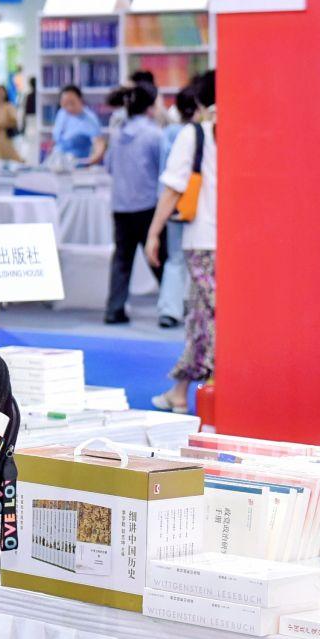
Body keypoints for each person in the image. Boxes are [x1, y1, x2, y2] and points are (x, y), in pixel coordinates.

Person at [146, 72, 217, 412]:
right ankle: (182, 389)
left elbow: (174, 188)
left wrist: (154, 232)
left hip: (202, 238)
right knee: (208, 315)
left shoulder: (195, 133)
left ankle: (194, 389)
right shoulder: (244, 130)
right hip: (240, 241)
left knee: (206, 317)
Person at [103, 84, 165, 324]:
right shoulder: (155, 135)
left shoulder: (117, 133)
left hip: (120, 205)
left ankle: (114, 309)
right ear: (150, 107)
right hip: (148, 205)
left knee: (121, 260)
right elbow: (163, 169)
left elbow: (109, 167)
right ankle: (171, 307)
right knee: (159, 258)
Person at [152, 86, 200, 328]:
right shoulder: (198, 133)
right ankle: (191, 307)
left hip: (172, 201)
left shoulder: (169, 132)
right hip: (195, 201)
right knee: (198, 258)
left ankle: (170, 309)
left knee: (175, 258)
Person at [51, 84, 106, 165]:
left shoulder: (89, 119)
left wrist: (88, 163)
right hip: (56, 162)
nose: (68, 107)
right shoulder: (62, 113)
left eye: (72, 103)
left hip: (76, 164)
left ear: (80, 100)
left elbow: (99, 146)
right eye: (65, 103)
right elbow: (57, 140)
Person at [0, 83, 21, 162]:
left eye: (1, 92)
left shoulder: (9, 106)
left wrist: (1, 125)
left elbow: (14, 122)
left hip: (5, 138)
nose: (0, 94)